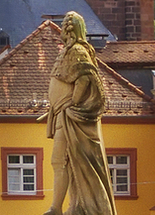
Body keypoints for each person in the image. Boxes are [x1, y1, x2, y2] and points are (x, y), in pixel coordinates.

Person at [40, 12, 116, 215]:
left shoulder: (78, 50)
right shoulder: (67, 51)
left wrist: (72, 103)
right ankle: (66, 205)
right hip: (61, 114)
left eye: (70, 25)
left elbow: (85, 79)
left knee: (64, 160)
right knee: (61, 161)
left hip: (70, 115)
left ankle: (58, 207)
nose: (66, 29)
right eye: (65, 25)